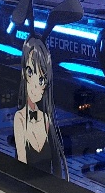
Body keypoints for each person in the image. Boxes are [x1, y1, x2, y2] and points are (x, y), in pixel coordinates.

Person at [13, 35, 68, 179]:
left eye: (41, 79)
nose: (35, 86)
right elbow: (21, 165)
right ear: (24, 73)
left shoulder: (46, 119)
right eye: (30, 72)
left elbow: (57, 165)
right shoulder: (19, 119)